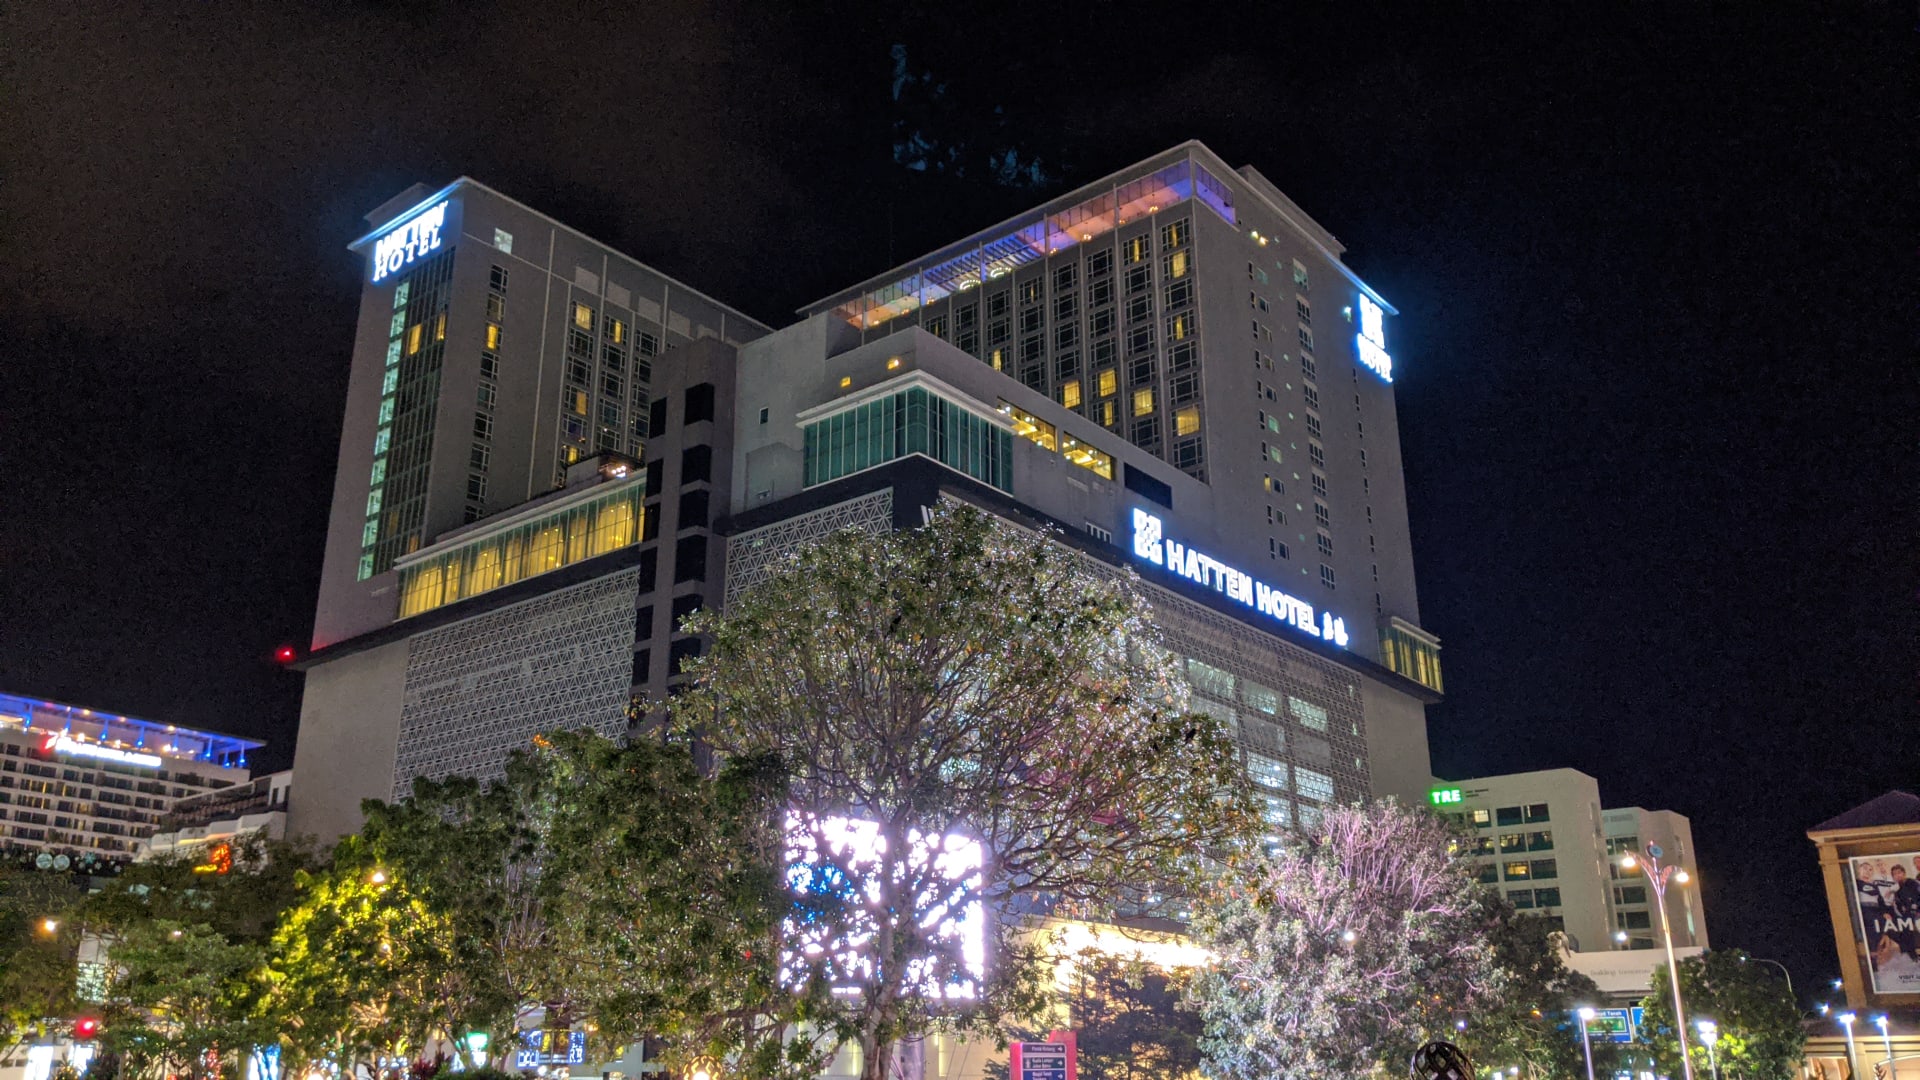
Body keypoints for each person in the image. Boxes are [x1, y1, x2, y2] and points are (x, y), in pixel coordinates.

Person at [1890, 862, 1920, 960]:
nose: (1897, 875)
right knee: (1903, 928)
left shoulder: (1913, 883)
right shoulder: (1896, 890)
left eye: (1899, 873)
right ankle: (1913, 955)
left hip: (1917, 912)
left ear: (1904, 873)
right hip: (1908, 916)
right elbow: (1899, 906)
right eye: (1894, 874)